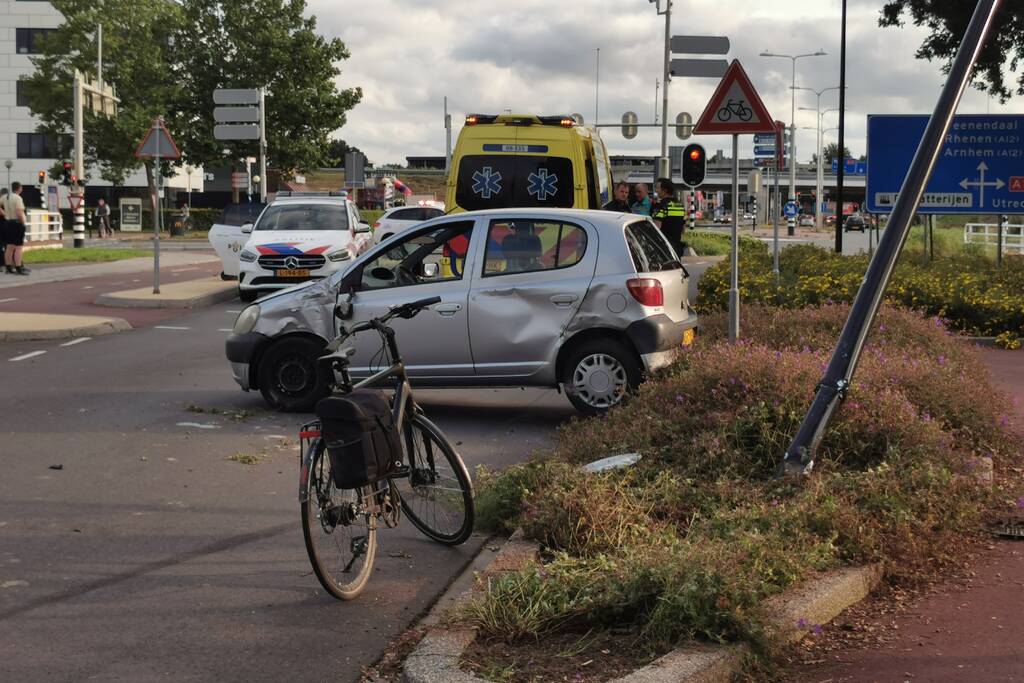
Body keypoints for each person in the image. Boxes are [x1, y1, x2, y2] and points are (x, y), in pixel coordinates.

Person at [650, 177, 687, 257]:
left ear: (665, 190)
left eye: (658, 188)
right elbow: (683, 230)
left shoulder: (661, 205)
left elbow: (656, 228)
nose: (656, 190)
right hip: (677, 248)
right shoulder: (680, 206)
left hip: (663, 249)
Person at [2, 182, 30, 275]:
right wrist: (23, 223)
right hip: (16, 223)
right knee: (18, 247)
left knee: (9, 246)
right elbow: (19, 212)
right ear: (19, 188)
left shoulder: (5, 197)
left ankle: (8, 267)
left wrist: (4, 213)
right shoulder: (18, 198)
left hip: (7, 223)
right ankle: (18, 267)